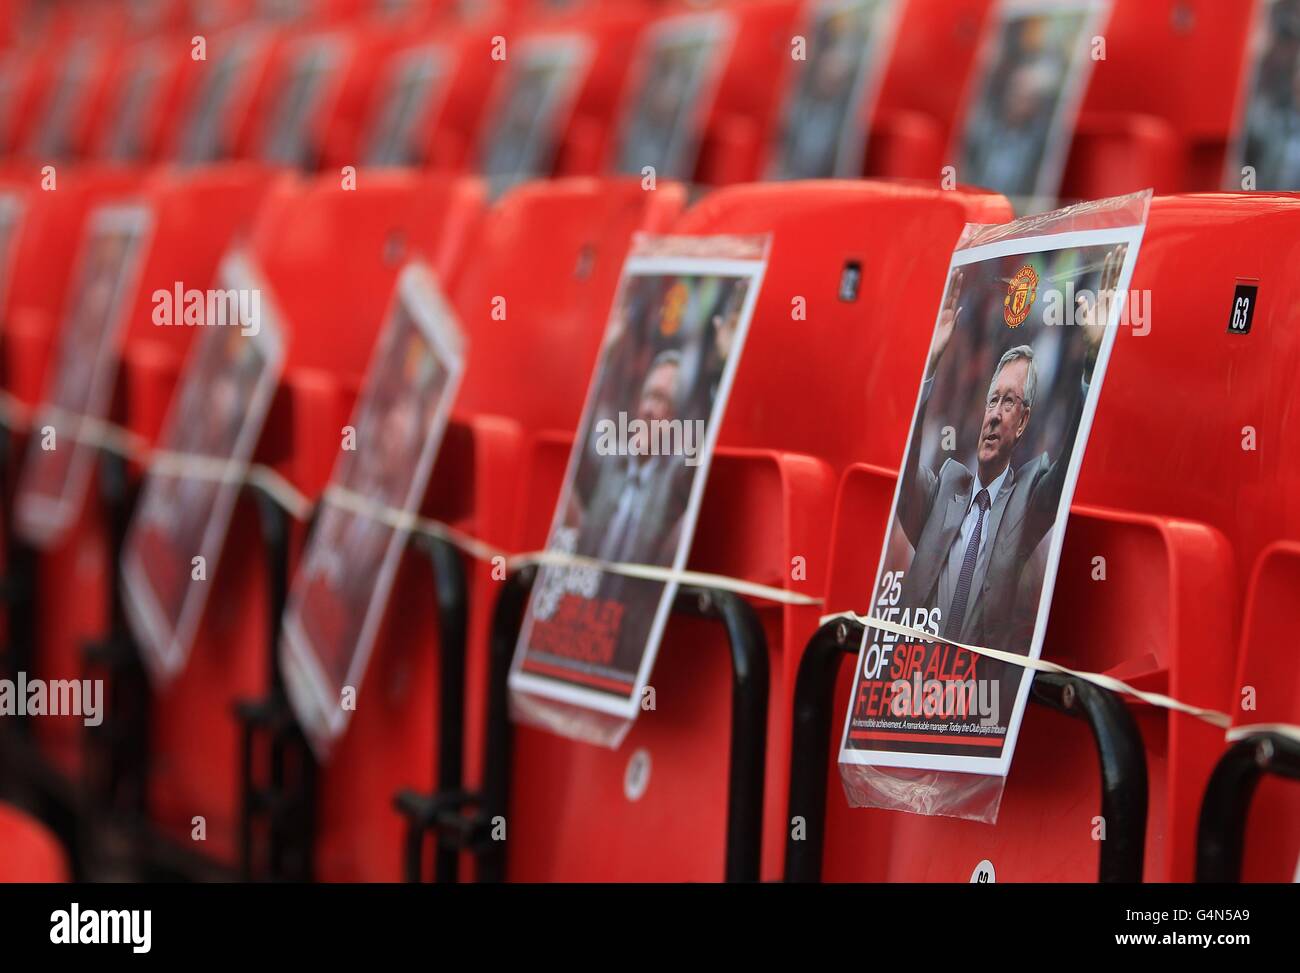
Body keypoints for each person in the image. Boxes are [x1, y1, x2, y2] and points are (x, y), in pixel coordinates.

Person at [894, 249, 1118, 651]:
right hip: (915, 679)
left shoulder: (1029, 501)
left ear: (1025, 423)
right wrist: (928, 369)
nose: (995, 415)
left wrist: (1092, 363)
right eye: (993, 401)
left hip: (981, 694)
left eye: (1010, 402)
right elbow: (905, 473)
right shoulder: (943, 488)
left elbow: (1069, 464)